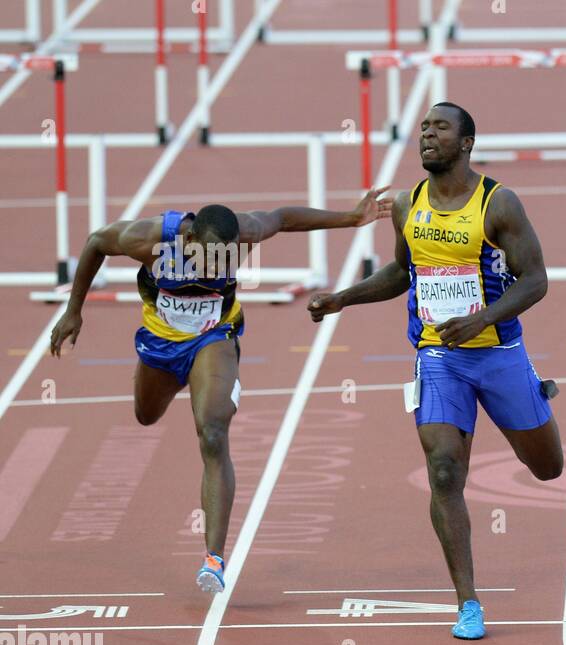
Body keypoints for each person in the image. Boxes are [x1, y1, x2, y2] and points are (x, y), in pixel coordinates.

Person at [307, 102, 562, 641]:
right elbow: (403, 272)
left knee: (548, 468)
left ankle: (535, 393)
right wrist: (343, 298)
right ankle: (469, 603)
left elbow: (535, 279)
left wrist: (484, 319)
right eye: (423, 127)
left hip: (497, 353)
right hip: (438, 356)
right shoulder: (408, 205)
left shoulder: (499, 204)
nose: (427, 135)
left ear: (466, 143)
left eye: (440, 128)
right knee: (444, 469)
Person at [48, 192, 391, 592]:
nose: (215, 265)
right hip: (161, 343)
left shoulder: (242, 232)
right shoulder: (148, 238)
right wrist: (74, 310)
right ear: (189, 239)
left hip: (214, 338)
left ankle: (213, 559)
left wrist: (350, 218)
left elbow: (282, 217)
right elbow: (94, 242)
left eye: (223, 258)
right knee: (145, 415)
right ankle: (173, 377)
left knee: (212, 433)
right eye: (208, 256)